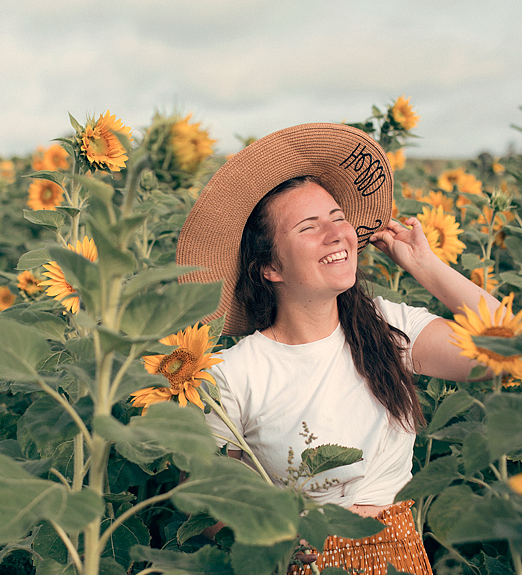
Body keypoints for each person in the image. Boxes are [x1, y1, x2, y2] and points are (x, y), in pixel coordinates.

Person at [176, 123, 503, 575]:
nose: (337, 234)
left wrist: (425, 265)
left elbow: (503, 350)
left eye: (338, 217)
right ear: (270, 266)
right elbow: (206, 502)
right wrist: (281, 540)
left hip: (398, 556)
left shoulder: (387, 327)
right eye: (310, 227)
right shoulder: (232, 373)